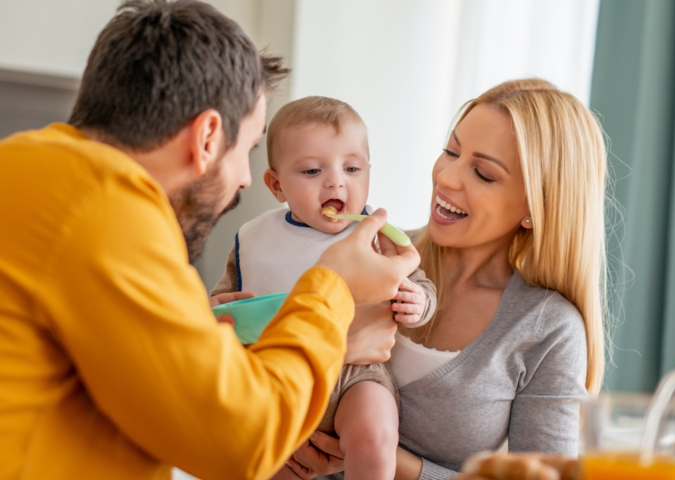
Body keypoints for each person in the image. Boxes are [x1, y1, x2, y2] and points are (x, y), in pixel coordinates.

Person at [0, 2, 420, 480]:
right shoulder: (106, 207)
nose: (244, 179)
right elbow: (240, 440)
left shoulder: (25, 167)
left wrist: (204, 325)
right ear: (207, 137)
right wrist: (334, 295)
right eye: (247, 149)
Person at [284, 79, 609, 480]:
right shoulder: (367, 253)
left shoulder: (547, 328)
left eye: (484, 174)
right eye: (450, 151)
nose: (447, 177)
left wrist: (387, 460)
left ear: (535, 207)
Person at [210, 96, 437, 480]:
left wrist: (419, 302)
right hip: (277, 375)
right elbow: (222, 304)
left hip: (357, 376)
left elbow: (416, 282)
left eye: (352, 168)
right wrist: (212, 311)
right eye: (313, 171)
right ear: (276, 184)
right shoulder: (253, 238)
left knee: (376, 438)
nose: (336, 181)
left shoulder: (376, 236)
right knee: (267, 461)